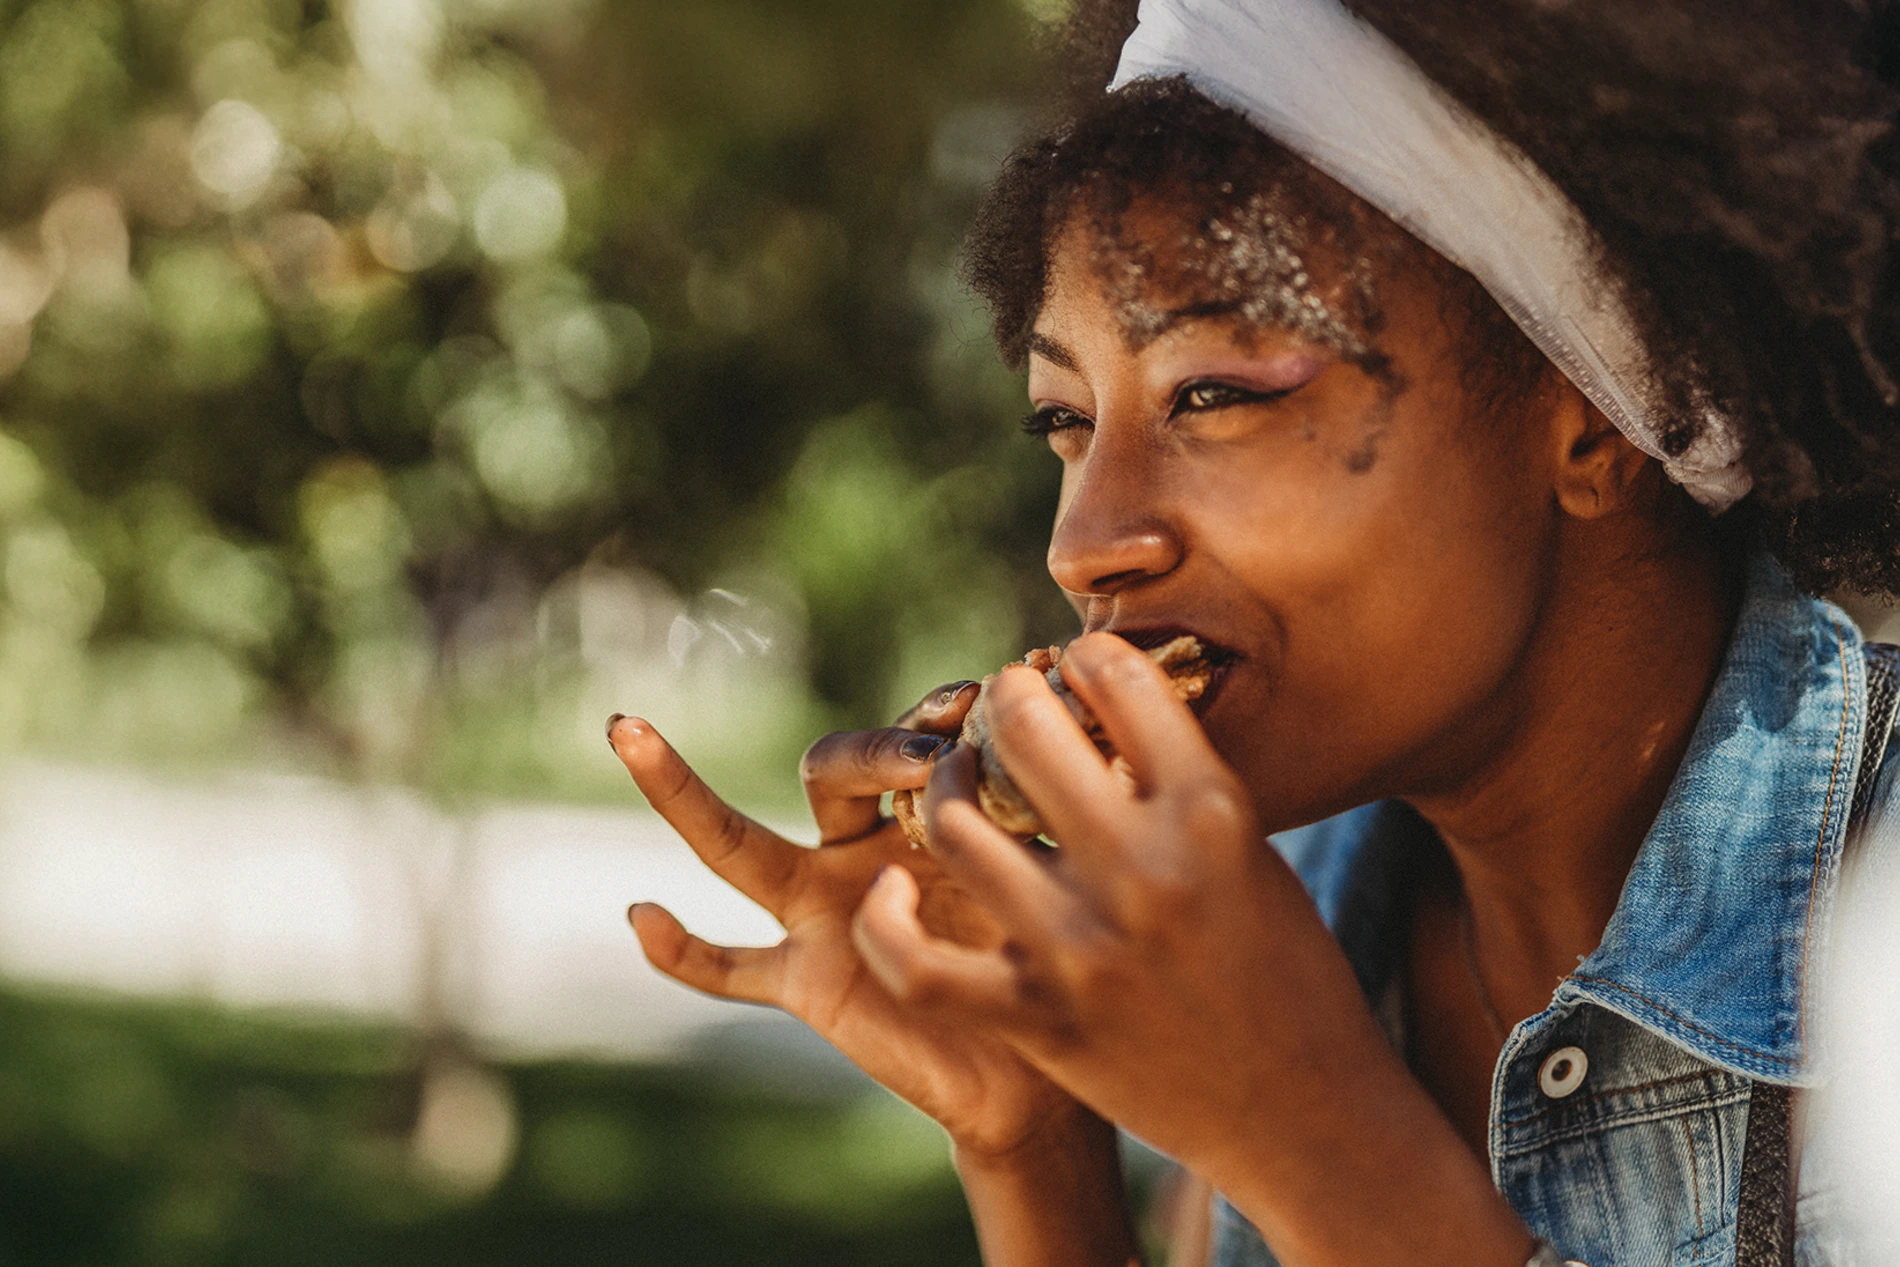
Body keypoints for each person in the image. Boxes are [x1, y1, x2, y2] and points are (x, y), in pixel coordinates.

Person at [608, 1, 1900, 1263]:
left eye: (1215, 393)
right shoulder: (1278, 928)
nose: (1085, 540)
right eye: (1063, 420)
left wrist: (1316, 1135)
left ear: (1607, 413)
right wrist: (1031, 1135)